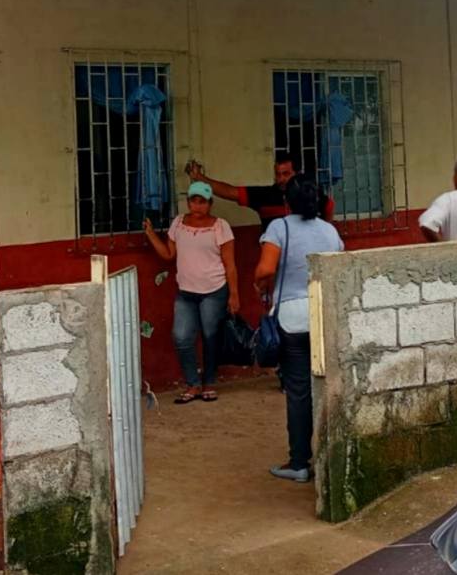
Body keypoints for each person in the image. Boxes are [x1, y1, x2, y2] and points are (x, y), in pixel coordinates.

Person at [255, 175, 343, 483]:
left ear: (286, 202)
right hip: (324, 314)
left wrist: (261, 286)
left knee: (298, 391)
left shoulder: (279, 228)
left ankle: (299, 463)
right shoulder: (330, 231)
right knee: (327, 387)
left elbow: (265, 269)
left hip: (292, 318)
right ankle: (332, 458)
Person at [143, 181, 240, 404]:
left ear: (210, 204)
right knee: (181, 336)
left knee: (210, 337)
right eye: (193, 201)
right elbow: (169, 254)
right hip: (186, 291)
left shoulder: (220, 227)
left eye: (202, 202)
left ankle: (209, 383)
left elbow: (230, 264)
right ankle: (192, 383)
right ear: (188, 202)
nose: (197, 206)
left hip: (214, 290)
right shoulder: (178, 223)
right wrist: (151, 234)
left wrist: (234, 294)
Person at [185, 152, 334, 230]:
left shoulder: (310, 194)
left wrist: (322, 230)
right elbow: (230, 192)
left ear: (297, 173)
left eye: (286, 174)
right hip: (276, 260)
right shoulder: (265, 196)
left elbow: (329, 206)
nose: (281, 179)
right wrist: (199, 177)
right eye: (278, 174)